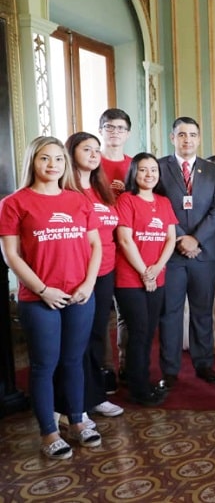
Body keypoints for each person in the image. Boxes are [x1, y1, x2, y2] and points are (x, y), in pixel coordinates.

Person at [0, 136, 103, 459]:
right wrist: (44, 290)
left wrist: (87, 284)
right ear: (33, 161)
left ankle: (76, 420)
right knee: (44, 365)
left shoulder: (78, 201)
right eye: (45, 158)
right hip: (39, 298)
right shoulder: (14, 203)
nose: (53, 165)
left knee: (74, 361)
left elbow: (96, 246)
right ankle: (48, 431)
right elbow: (11, 255)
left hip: (80, 295)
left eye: (59, 159)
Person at [54, 133, 124, 425]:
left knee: (97, 336)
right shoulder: (64, 191)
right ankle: (71, 402)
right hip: (77, 274)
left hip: (105, 270)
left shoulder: (102, 190)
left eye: (97, 150)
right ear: (72, 153)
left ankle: (95, 396)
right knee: (73, 341)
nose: (95, 154)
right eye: (87, 149)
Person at [158, 117, 215, 388]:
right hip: (170, 253)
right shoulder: (159, 168)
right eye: (182, 134)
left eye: (193, 135)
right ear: (172, 137)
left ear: (199, 139)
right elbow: (155, 206)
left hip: (204, 252)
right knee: (170, 312)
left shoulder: (212, 171)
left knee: (202, 311)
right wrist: (179, 238)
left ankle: (203, 364)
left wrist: (195, 238)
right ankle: (171, 369)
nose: (187, 139)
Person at [115, 153, 177, 407]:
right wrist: (144, 272)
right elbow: (125, 240)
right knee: (138, 332)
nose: (149, 174)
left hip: (157, 277)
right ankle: (139, 390)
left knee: (149, 332)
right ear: (134, 173)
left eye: (153, 169)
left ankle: (142, 379)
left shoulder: (163, 202)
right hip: (130, 279)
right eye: (143, 170)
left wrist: (156, 269)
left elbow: (170, 238)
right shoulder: (126, 200)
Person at [99, 108, 133, 391]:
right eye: (110, 127)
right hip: (96, 247)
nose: (115, 133)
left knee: (125, 313)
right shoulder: (90, 162)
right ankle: (105, 369)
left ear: (128, 134)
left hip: (127, 248)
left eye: (121, 128)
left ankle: (126, 363)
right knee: (100, 315)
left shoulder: (134, 165)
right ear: (102, 131)